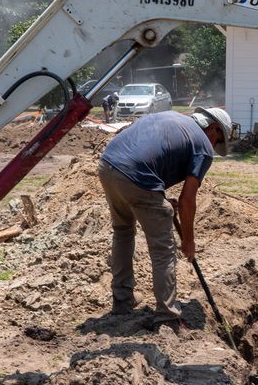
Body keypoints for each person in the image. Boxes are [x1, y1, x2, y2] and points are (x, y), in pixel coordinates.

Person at [98, 106, 232, 320]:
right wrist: (189, 240)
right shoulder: (203, 145)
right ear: (213, 128)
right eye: (218, 140)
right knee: (163, 248)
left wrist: (158, 198)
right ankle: (167, 314)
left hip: (108, 164)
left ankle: (122, 301)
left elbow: (151, 155)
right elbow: (187, 201)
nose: (213, 146)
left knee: (122, 231)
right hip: (135, 175)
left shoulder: (171, 117)